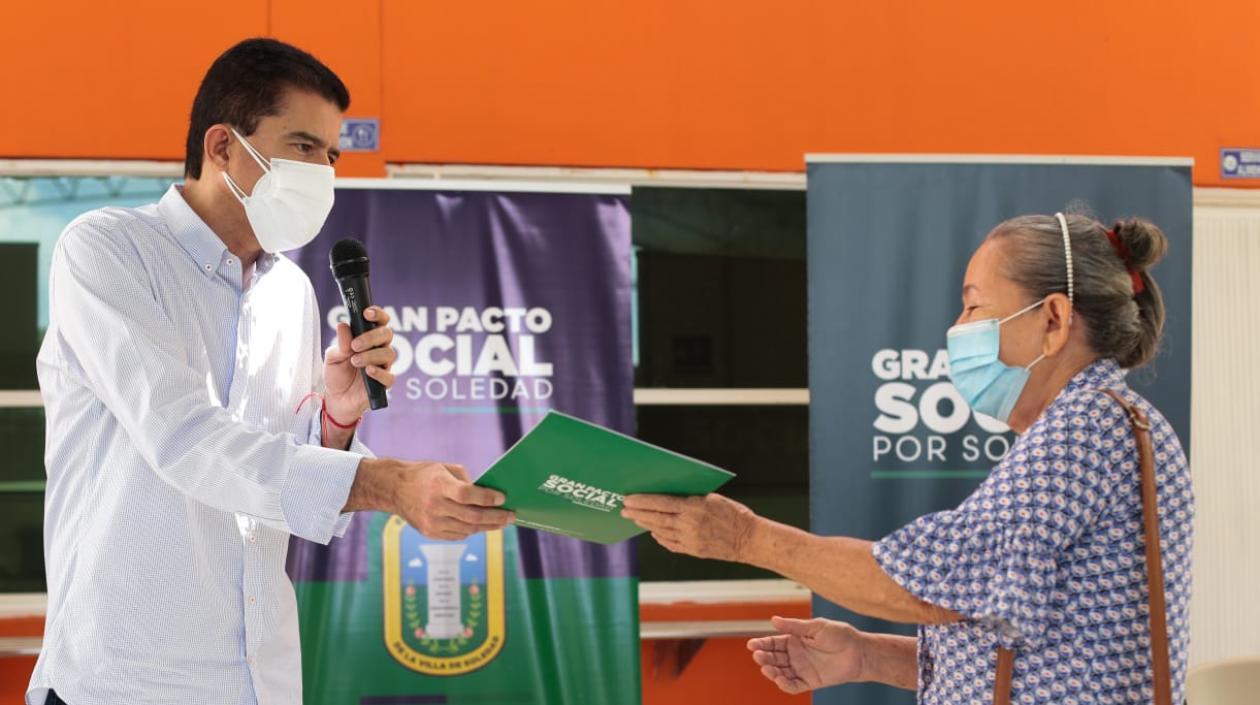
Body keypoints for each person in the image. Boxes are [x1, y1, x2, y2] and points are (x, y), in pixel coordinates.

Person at [28, 38, 514, 705]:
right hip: (121, 678)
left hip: (258, 678)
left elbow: (275, 473)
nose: (323, 171)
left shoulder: (290, 291)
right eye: (304, 146)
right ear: (223, 146)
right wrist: (384, 483)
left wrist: (337, 419)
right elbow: (187, 438)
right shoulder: (108, 251)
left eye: (332, 154)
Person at [624, 212, 1194, 704]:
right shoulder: (1098, 422)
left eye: (973, 306)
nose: (957, 329)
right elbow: (1018, 638)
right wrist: (865, 657)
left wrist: (744, 537)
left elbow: (931, 589)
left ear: (1052, 319)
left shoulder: (1084, 428)